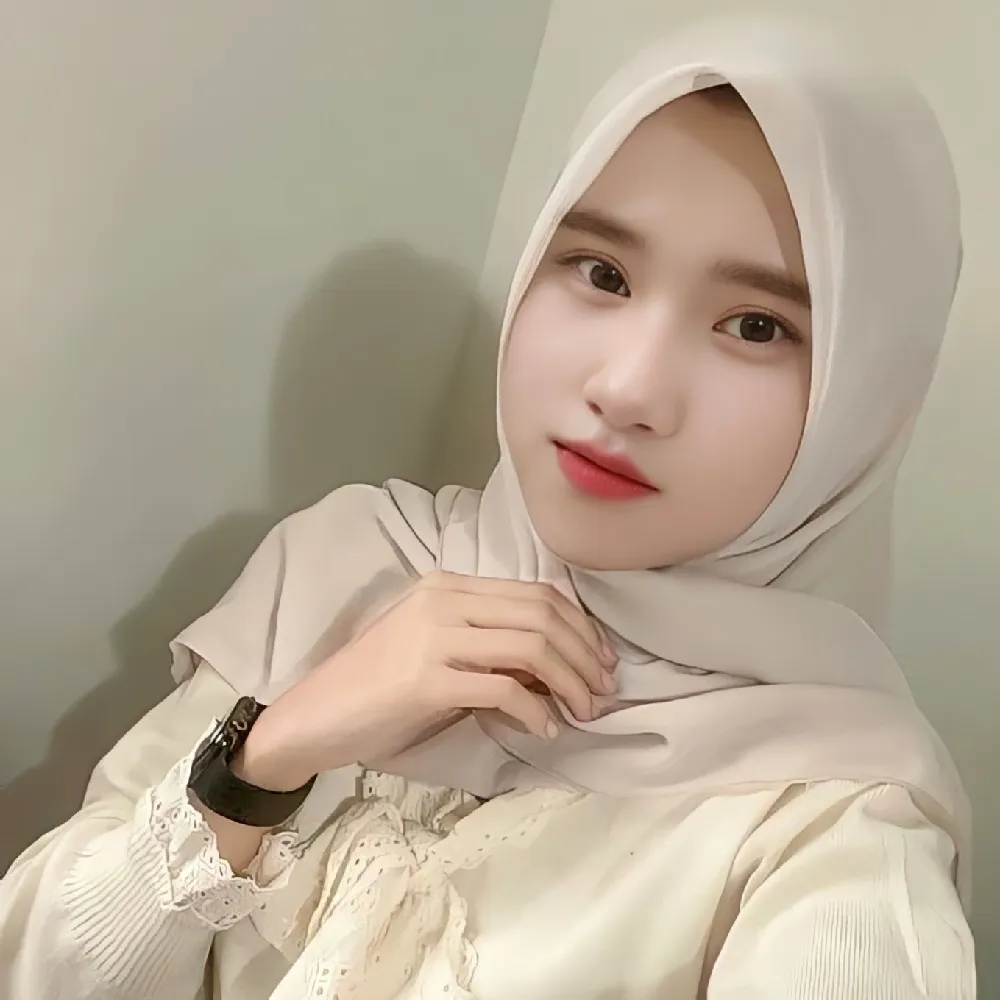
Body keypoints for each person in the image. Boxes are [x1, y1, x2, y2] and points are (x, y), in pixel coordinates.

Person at [0, 18, 976, 1000]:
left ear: (864, 399)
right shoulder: (350, 561)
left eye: (755, 326)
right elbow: (36, 968)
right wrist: (268, 754)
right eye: (602, 272)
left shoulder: (830, 820)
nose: (626, 388)